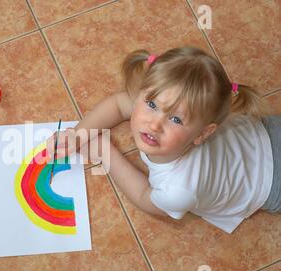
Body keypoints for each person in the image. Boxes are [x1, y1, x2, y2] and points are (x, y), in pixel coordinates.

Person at [46, 46, 280, 233]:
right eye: (151, 104)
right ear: (142, 94)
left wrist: (106, 153)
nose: (155, 124)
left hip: (270, 185)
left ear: (202, 134)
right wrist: (77, 134)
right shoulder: (164, 104)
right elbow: (118, 105)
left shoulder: (179, 189)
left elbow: (144, 197)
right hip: (267, 131)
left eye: (176, 120)